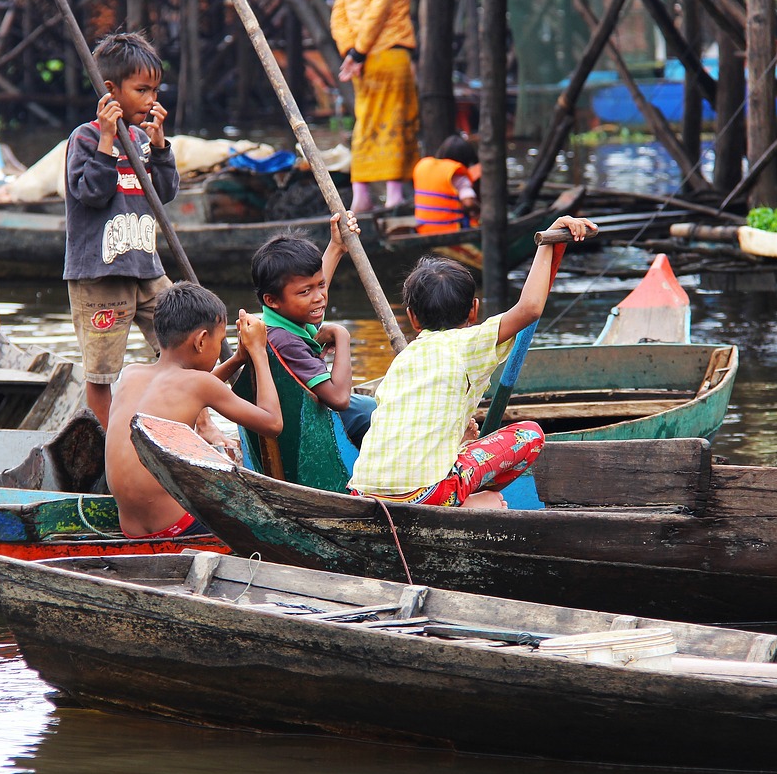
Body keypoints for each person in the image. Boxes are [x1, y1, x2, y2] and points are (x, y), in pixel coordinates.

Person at [349, 215, 599, 508]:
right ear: (474, 311)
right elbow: (530, 308)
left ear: (412, 318)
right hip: (426, 494)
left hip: (362, 492)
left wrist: (459, 440)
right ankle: (468, 501)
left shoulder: (403, 360)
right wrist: (547, 239)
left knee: (461, 441)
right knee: (529, 435)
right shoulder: (468, 343)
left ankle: (458, 490)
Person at [63, 30, 177, 430]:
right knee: (102, 371)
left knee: (182, 342)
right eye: (141, 90)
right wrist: (108, 140)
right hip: (101, 274)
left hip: (146, 267)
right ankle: (112, 443)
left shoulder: (143, 139)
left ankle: (199, 425)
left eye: (155, 91)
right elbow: (91, 194)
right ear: (110, 90)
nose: (151, 100)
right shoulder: (86, 137)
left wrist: (160, 148)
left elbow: (164, 194)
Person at [105, 282, 283, 539]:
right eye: (219, 342)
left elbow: (195, 391)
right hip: (176, 526)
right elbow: (273, 423)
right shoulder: (199, 385)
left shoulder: (131, 374)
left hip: (131, 528)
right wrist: (258, 352)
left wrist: (237, 359)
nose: (219, 348)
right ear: (201, 341)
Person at [250, 212, 375, 446]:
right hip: (304, 429)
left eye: (321, 286)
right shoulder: (285, 340)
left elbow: (311, 284)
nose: (319, 297)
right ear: (272, 300)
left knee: (371, 405)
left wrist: (336, 247)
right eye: (305, 292)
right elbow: (339, 399)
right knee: (373, 412)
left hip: (303, 415)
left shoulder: (287, 317)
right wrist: (342, 335)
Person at [330, 0, 420, 215]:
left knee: (366, 121)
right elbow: (378, 12)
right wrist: (359, 52)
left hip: (362, 62)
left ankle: (361, 195)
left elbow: (338, 19)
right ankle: (394, 196)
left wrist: (351, 52)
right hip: (389, 54)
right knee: (396, 119)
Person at [412, 135, 481, 235]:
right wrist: (480, 210)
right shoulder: (457, 175)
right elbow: (469, 203)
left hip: (423, 229)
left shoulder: (423, 166)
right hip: (449, 230)